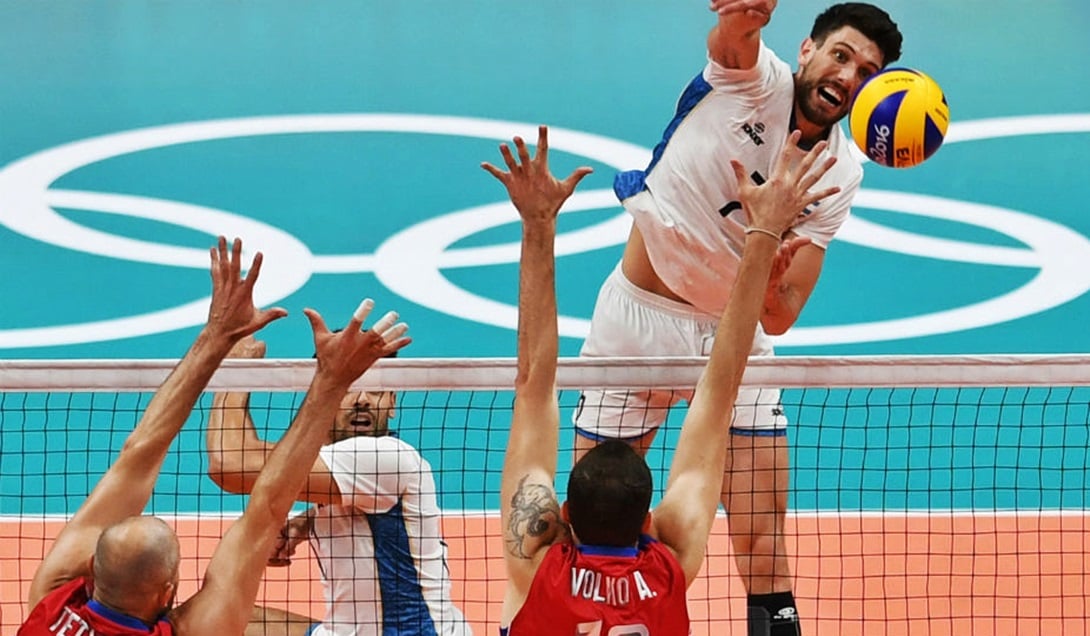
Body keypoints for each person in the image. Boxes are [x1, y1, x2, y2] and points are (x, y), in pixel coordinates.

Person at [573, 2, 903, 633]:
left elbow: (779, 318)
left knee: (762, 545)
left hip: (734, 341)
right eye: (841, 54)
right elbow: (732, 40)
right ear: (807, 50)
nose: (847, 75)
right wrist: (741, 15)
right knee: (597, 529)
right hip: (637, 327)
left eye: (866, 71)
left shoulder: (841, 173)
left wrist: (772, 271)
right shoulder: (754, 80)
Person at [482, 125, 837, 633]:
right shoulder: (669, 571)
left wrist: (538, 225)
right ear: (650, 523)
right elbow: (719, 393)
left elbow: (533, 383)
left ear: (562, 516)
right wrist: (763, 235)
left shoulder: (534, 566)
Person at [18, 237, 410, 636]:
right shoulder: (189, 630)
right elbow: (267, 508)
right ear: (167, 594)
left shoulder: (48, 610)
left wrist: (217, 336)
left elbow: (138, 454)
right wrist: (329, 382)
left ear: (90, 571)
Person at [205, 341, 470, 636]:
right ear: (324, 395)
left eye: (377, 389)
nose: (363, 400)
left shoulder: (387, 457)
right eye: (350, 385)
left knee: (208, 620)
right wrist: (306, 523)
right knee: (217, 614)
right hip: (345, 630)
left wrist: (234, 370)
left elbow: (230, 464)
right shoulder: (341, 472)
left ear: (392, 402)